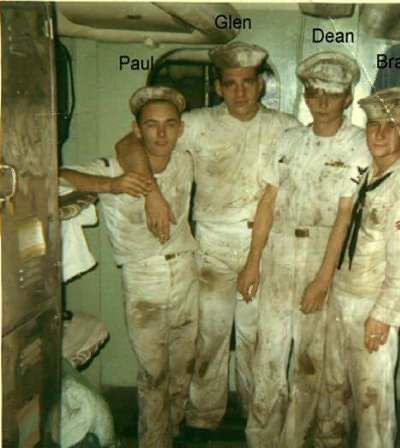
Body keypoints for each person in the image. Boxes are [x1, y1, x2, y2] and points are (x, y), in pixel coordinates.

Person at [115, 42, 299, 436]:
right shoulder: (196, 124)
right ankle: (203, 416)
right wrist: (151, 192)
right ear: (218, 88)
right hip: (213, 243)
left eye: (247, 82)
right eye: (230, 84)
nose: (240, 92)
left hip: (263, 244)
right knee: (210, 337)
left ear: (261, 85)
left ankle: (255, 414)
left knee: (254, 338)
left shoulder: (286, 127)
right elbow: (129, 143)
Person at [237, 51, 371, 447]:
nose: (321, 101)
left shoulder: (358, 144)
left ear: (347, 98)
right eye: (314, 92)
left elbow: (345, 215)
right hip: (278, 251)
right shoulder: (289, 139)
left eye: (332, 93)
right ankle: (261, 440)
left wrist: (323, 279)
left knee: (309, 362)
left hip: (322, 252)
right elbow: (267, 202)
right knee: (268, 355)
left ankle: (294, 440)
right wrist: (252, 263)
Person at [60, 86, 198, 448]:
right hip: (144, 278)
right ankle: (153, 442)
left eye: (170, 124)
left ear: (181, 129)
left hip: (187, 271)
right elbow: (56, 175)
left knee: (183, 368)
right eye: (151, 125)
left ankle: (175, 430)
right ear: (137, 129)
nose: (162, 134)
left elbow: (134, 144)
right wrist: (112, 185)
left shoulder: (185, 160)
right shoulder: (113, 167)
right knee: (154, 373)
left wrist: (153, 192)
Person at [316, 86, 400, 447]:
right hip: (344, 294)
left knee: (372, 403)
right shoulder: (366, 170)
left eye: (391, 125)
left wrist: (383, 316)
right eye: (373, 125)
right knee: (335, 391)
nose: (379, 134)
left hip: (371, 304)